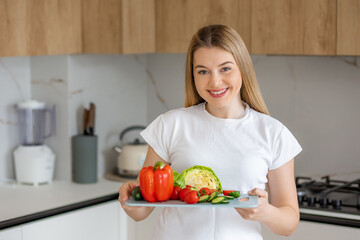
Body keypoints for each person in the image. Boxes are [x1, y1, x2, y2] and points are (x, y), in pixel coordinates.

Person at [118, 24, 302, 240]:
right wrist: (129, 201)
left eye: (225, 69)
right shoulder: (170, 125)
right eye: (203, 71)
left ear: (242, 68)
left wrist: (266, 212)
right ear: (193, 76)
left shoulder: (273, 133)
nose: (215, 82)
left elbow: (289, 223)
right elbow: (142, 210)